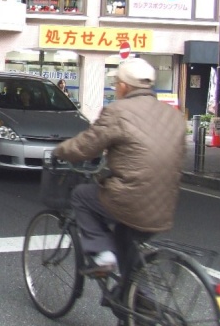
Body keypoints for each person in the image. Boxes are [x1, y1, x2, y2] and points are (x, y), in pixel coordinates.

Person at [53, 58, 185, 276]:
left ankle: (102, 254)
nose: (116, 89)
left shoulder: (118, 111)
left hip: (129, 200)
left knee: (81, 196)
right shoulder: (173, 115)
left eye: (116, 84)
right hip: (164, 205)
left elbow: (87, 146)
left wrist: (60, 151)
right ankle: (139, 299)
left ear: (124, 86)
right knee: (128, 245)